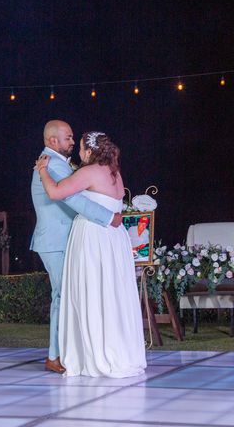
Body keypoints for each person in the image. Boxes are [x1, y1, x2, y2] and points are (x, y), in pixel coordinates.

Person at [35, 131, 146, 378]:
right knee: (111, 294)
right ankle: (117, 350)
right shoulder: (114, 173)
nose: (78, 151)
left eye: (82, 147)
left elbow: (55, 193)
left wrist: (42, 170)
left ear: (90, 150)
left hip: (94, 237)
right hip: (114, 239)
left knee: (92, 292)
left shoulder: (89, 171)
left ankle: (94, 352)